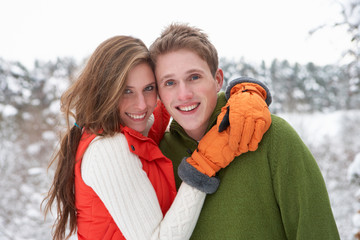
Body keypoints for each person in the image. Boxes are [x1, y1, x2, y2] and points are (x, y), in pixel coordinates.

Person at [42, 35, 272, 240]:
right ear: (105, 91)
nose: (142, 105)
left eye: (149, 88)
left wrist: (245, 92)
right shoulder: (108, 148)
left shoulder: (132, 127)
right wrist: (204, 164)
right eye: (126, 91)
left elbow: (182, 100)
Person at [149, 23, 341, 239]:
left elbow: (318, 232)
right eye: (170, 82)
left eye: (194, 77)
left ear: (217, 80)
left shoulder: (274, 137)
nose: (184, 94)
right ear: (158, 93)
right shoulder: (159, 157)